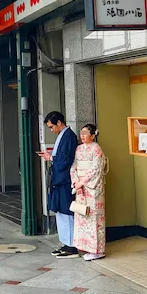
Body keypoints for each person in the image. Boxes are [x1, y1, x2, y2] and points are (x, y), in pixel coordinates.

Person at [39, 111, 79, 258]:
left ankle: (72, 245)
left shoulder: (69, 136)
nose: (51, 130)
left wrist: (51, 158)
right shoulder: (64, 136)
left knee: (66, 212)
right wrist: (52, 157)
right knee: (61, 212)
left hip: (64, 180)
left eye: (51, 127)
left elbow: (65, 159)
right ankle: (66, 243)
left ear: (59, 123)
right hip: (60, 180)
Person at [70, 124, 109, 261]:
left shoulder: (96, 149)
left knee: (94, 218)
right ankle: (85, 247)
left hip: (93, 189)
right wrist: (76, 181)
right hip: (81, 188)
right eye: (81, 133)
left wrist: (83, 182)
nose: (83, 135)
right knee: (82, 215)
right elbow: (74, 166)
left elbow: (97, 168)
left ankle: (98, 250)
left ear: (93, 135)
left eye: (86, 133)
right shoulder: (79, 149)